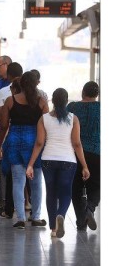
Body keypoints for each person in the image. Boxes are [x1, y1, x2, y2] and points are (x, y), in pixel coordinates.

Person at [25, 88, 90, 238]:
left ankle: (54, 228)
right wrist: (85, 166)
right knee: (66, 192)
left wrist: (30, 164)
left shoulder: (44, 118)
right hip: (68, 160)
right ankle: (61, 214)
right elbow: (77, 144)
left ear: (52, 101)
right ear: (67, 101)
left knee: (51, 193)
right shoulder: (73, 119)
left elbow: (40, 143)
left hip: (48, 159)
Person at [0, 71, 49, 229]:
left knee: (18, 181)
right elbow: (47, 126)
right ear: (35, 84)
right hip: (34, 143)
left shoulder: (10, 101)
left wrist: (0, 145)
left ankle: (20, 218)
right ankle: (36, 216)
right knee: (36, 182)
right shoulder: (42, 102)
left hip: (15, 142)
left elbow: (4, 125)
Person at [67, 81, 100, 231]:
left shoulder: (72, 107)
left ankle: (81, 221)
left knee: (76, 187)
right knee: (97, 185)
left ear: (83, 92)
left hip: (74, 153)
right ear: (97, 95)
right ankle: (90, 209)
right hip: (97, 152)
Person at [0, 62, 23, 218]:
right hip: (29, 140)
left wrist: (0, 145)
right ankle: (27, 206)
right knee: (28, 176)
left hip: (11, 138)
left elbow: (1, 122)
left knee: (10, 174)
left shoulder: (6, 93)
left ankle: (8, 204)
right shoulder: (35, 94)